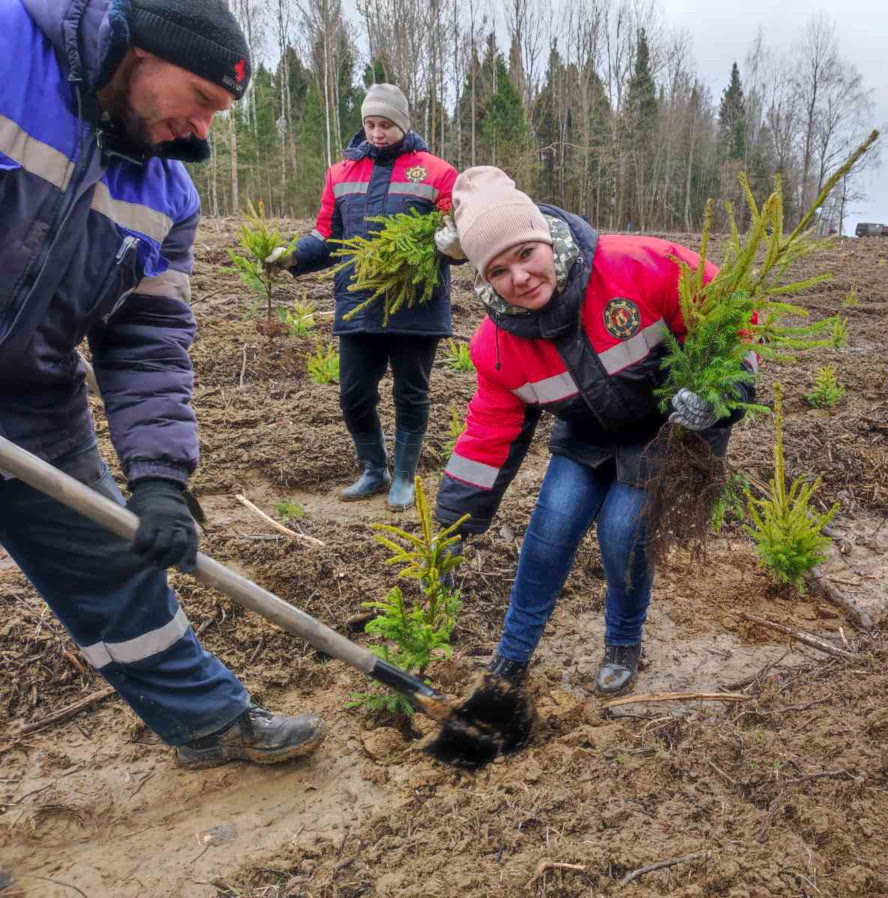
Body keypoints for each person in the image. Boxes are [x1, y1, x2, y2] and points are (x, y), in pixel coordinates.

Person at [0, 0, 323, 768]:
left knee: (113, 567)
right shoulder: (10, 48)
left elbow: (147, 344)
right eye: (204, 101)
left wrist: (160, 481)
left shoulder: (168, 197)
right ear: (140, 51)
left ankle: (209, 722)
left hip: (34, 399)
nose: (205, 130)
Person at [432, 167, 755, 695]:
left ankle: (623, 642)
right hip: (586, 435)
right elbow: (487, 441)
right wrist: (450, 527)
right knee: (549, 533)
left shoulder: (640, 267)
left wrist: (720, 398)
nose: (520, 277)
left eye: (524, 254)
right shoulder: (497, 345)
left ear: (543, 236)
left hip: (666, 430)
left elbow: (731, 323)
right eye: (497, 271)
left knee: (623, 533)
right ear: (483, 281)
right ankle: (512, 656)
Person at [268, 85, 458, 509]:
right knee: (353, 393)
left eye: (385, 125)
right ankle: (374, 467)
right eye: (370, 124)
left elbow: (452, 233)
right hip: (357, 302)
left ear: (403, 125)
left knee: (411, 391)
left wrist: (455, 244)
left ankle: (404, 476)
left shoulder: (437, 172)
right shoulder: (340, 173)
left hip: (416, 305)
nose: (376, 132)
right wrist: (294, 256)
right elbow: (327, 235)